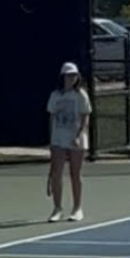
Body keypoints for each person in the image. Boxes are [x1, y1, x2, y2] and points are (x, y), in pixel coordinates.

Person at [46, 62, 92, 222]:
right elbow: (51, 118)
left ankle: (77, 208)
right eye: (69, 75)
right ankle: (57, 209)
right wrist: (52, 140)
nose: (72, 78)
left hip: (76, 140)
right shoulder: (55, 95)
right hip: (58, 139)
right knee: (57, 174)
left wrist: (78, 135)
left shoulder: (81, 95)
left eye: (74, 75)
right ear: (63, 77)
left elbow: (85, 117)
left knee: (75, 174)